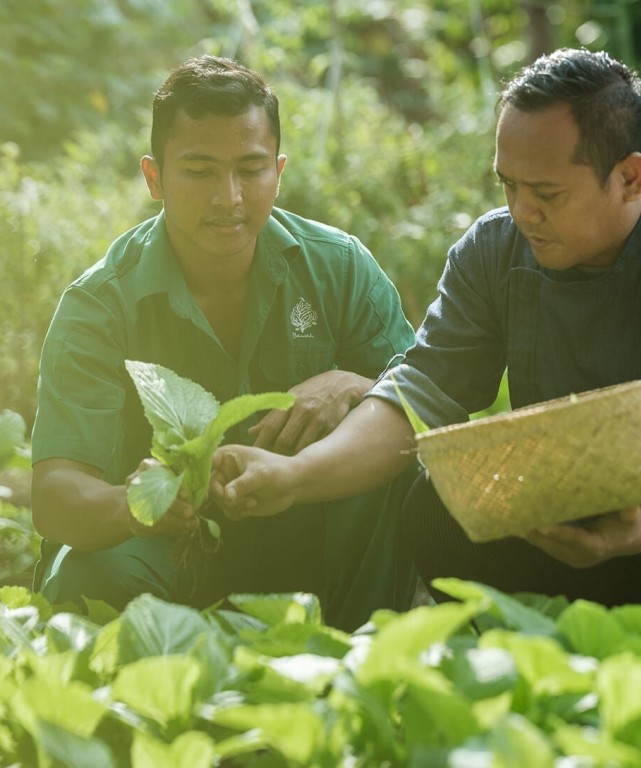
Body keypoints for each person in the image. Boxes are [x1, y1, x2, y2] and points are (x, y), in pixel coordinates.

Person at [211, 47, 641, 641]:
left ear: (629, 178)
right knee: (438, 507)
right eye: (509, 185)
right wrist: (294, 476)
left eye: (547, 193)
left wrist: (638, 531)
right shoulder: (493, 251)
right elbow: (420, 394)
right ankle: (537, 661)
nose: (522, 212)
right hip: (560, 518)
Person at [30, 54, 418, 631]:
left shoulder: (338, 267)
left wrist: (357, 386)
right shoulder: (101, 303)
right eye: (200, 171)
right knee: (86, 577)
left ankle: (362, 653)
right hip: (164, 546)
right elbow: (55, 495)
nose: (228, 197)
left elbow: (425, 408)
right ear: (154, 178)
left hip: (307, 525)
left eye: (250, 169)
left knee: (395, 471)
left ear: (278, 173)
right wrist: (135, 505)